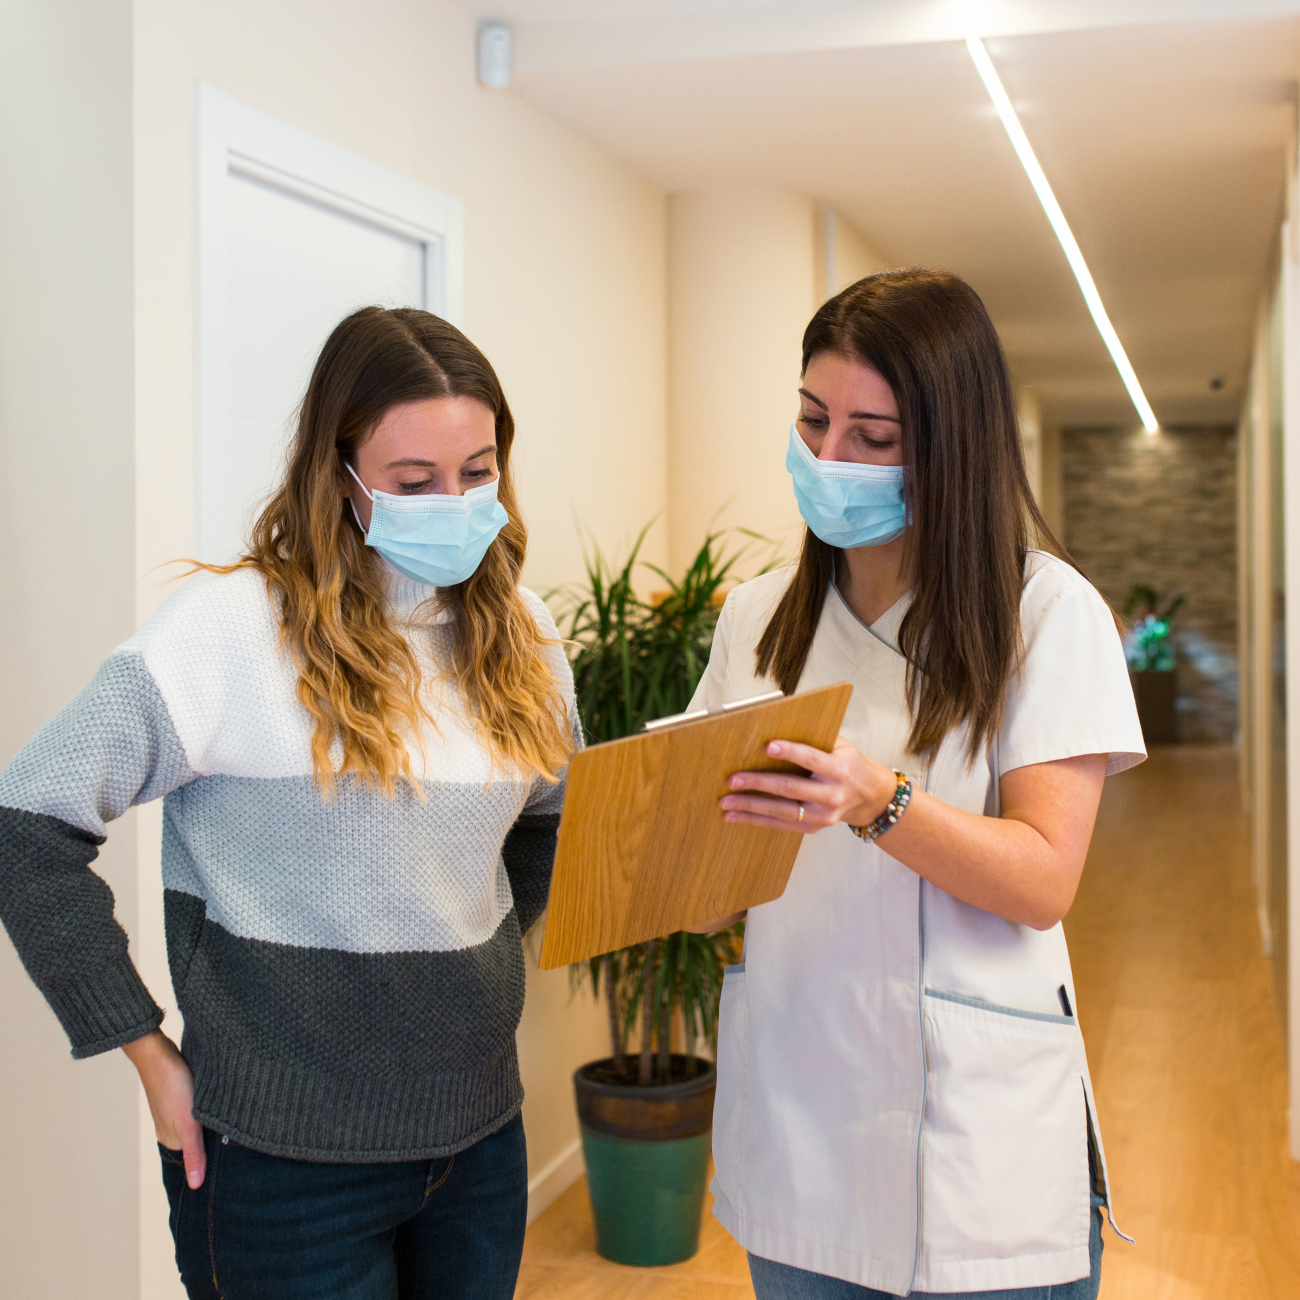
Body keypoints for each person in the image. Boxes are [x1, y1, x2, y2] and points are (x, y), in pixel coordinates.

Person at [0, 306, 580, 1299]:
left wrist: (450, 971)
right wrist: (145, 1050)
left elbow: (544, 828)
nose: (453, 501)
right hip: (280, 1168)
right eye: (412, 482)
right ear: (340, 475)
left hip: (478, 1146)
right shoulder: (230, 630)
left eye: (477, 472)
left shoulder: (522, 634)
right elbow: (26, 826)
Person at [691, 269, 1144, 1300]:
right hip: (800, 1115)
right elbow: (718, 886)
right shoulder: (758, 617)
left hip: (977, 1147)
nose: (828, 458)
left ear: (949, 444)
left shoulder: (1045, 612)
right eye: (812, 420)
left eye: (872, 436)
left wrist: (874, 800)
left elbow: (1041, 882)